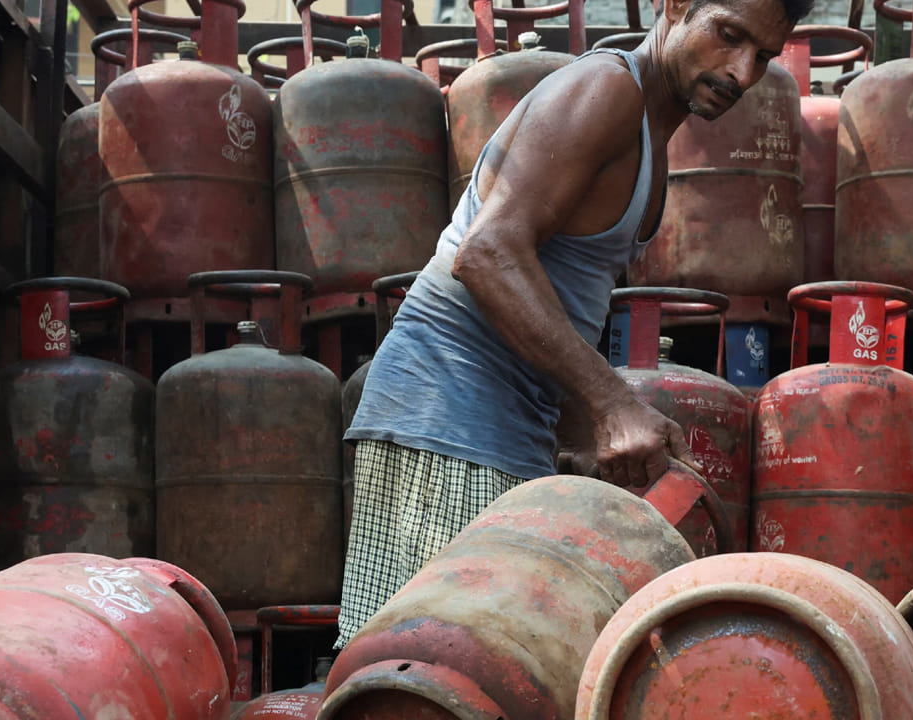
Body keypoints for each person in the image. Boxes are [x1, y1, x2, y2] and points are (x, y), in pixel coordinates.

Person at [337, 0, 813, 648]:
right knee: (424, 678)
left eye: (762, 56)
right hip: (443, 422)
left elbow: (560, 301)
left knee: (497, 681)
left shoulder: (648, 137)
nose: (740, 71)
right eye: (727, 35)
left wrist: (580, 437)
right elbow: (488, 254)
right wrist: (612, 402)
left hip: (504, 434)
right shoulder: (606, 92)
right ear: (674, 6)